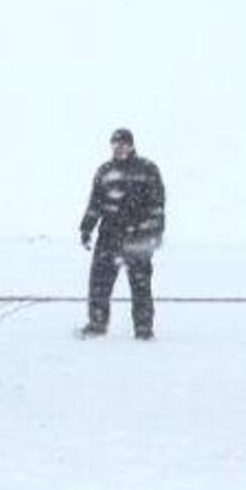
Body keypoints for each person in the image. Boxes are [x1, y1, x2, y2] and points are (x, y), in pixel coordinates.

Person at [78, 127, 165, 340]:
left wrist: (155, 231)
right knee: (99, 282)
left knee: (140, 284)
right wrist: (86, 228)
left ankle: (143, 329)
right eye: (115, 144)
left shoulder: (147, 169)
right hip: (109, 235)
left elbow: (157, 204)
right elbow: (95, 203)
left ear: (132, 145)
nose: (119, 148)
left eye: (123, 144)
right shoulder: (105, 172)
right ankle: (97, 323)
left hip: (138, 236)